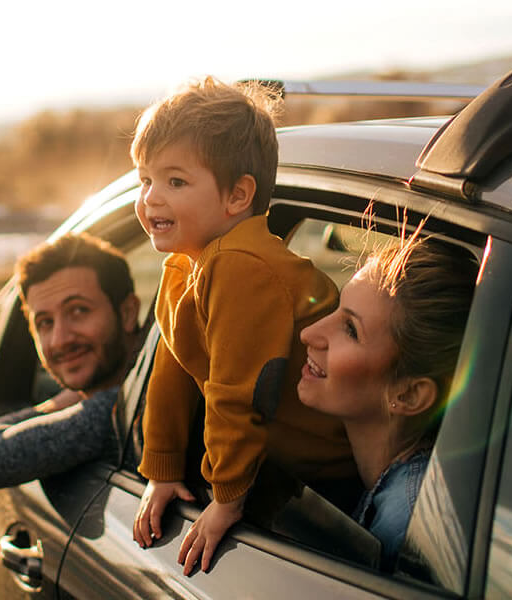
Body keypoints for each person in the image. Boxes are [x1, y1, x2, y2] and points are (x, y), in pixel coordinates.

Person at [129, 77, 355, 575]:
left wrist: (226, 498)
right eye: (145, 180)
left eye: (175, 182)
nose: (151, 199)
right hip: (284, 467)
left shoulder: (239, 266)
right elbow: (172, 370)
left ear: (237, 196)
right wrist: (162, 469)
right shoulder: (188, 264)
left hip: (330, 475)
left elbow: (238, 392)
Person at [296, 236, 478, 566]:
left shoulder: (402, 530)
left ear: (408, 394)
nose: (309, 333)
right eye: (337, 308)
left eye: (350, 329)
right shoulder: (405, 489)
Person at [0, 233, 144, 493]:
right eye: (45, 323)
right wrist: (70, 400)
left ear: (128, 312)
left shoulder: (123, 411)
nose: (60, 340)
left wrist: (59, 404)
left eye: (78, 310)